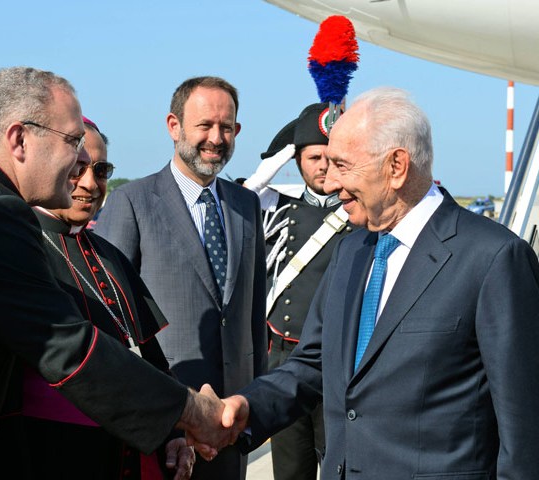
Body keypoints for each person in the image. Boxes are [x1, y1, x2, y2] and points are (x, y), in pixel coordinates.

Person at [0, 67, 231, 480]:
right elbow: (68, 350)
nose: (80, 162)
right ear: (19, 139)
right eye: (73, 142)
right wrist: (190, 411)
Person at [219, 87, 539, 479]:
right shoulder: (351, 250)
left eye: (343, 165)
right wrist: (244, 408)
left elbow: (524, 432)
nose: (331, 182)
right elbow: (313, 363)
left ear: (396, 167)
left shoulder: (493, 259)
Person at [0, 117, 194, 480]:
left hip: (126, 452)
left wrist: (176, 435)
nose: (90, 183)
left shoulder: (110, 255)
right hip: (45, 455)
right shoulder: (15, 249)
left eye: (101, 170)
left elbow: (150, 357)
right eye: (77, 168)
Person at [95, 76, 267, 480]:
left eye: (226, 127)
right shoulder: (131, 202)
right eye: (205, 125)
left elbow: (253, 314)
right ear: (174, 127)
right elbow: (111, 322)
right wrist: (161, 419)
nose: (216, 137)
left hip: (231, 422)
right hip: (166, 425)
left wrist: (253, 401)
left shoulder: (246, 205)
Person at [242, 103, 356, 480]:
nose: (323, 166)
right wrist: (277, 156)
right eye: (312, 156)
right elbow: (239, 199)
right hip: (285, 362)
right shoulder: (278, 208)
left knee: (341, 466)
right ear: (297, 159)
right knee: (289, 469)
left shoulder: (361, 214)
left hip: (340, 361)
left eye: (332, 157)